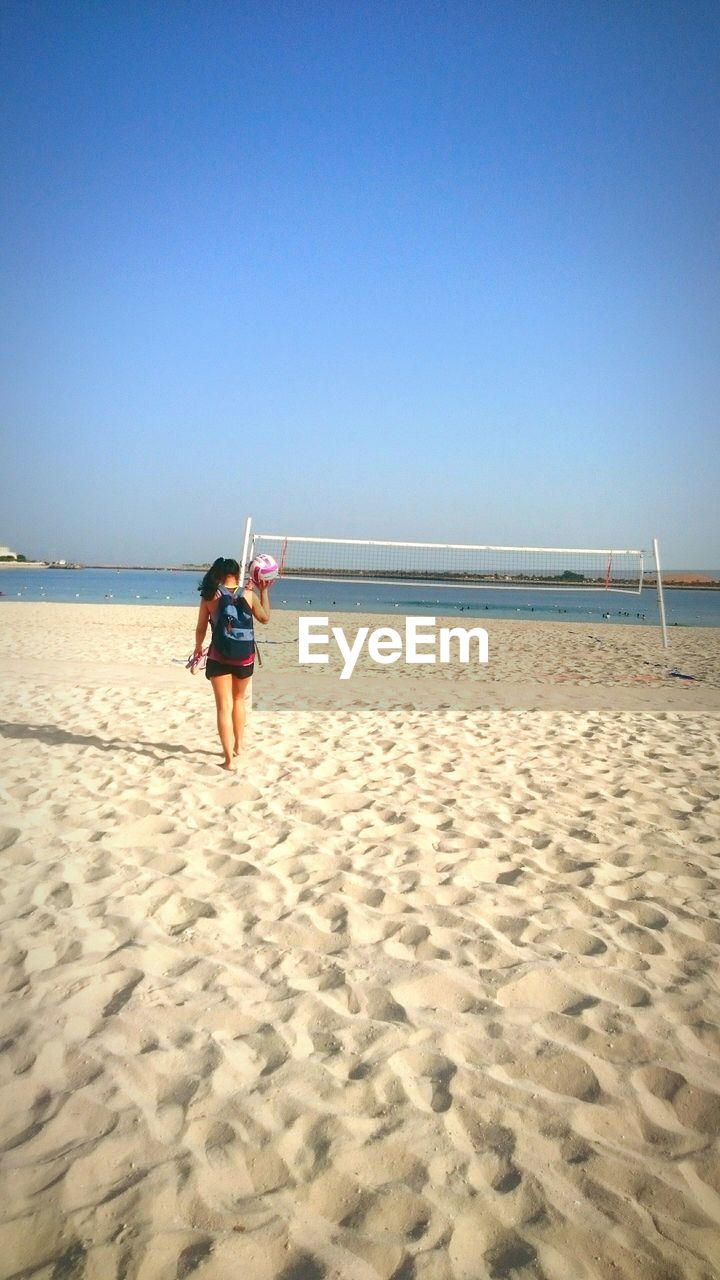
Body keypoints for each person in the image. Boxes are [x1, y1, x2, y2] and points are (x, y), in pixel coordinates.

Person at [193, 557, 271, 769]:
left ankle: (229, 761)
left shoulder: (210, 596)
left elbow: (201, 627)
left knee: (223, 707)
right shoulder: (248, 594)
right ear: (237, 573)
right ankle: (239, 746)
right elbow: (265, 618)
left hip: (219, 656)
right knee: (239, 699)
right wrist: (263, 591)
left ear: (218, 574)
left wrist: (198, 647)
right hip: (244, 657)